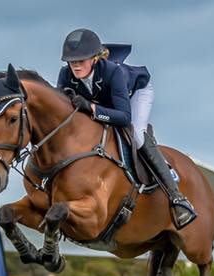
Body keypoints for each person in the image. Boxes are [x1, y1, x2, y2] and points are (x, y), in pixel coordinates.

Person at [55, 28, 196, 230]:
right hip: (106, 101)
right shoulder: (65, 74)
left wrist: (92, 108)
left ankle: (177, 198)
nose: (75, 65)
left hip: (135, 93)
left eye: (81, 60)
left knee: (136, 134)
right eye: (71, 61)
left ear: (94, 58)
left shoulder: (113, 72)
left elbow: (123, 117)